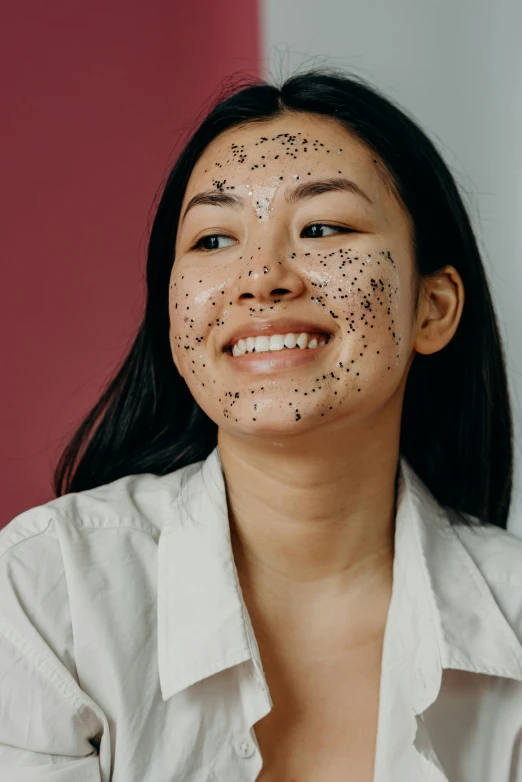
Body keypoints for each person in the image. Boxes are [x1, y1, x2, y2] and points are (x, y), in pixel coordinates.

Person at [1, 69, 521, 782]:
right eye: (215, 240)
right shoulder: (46, 593)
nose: (261, 276)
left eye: (323, 227)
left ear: (432, 309)